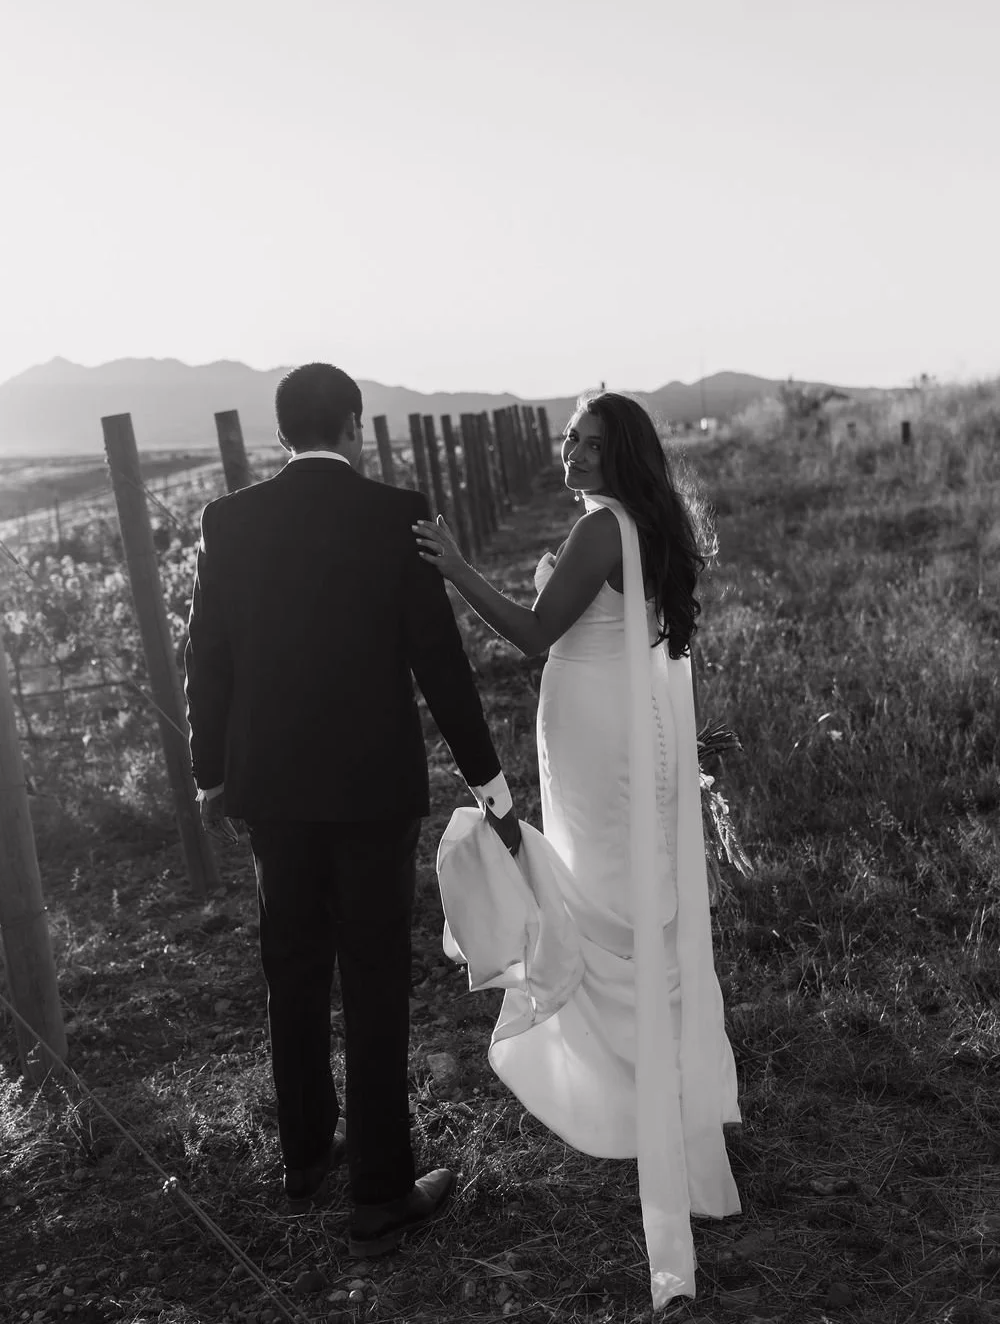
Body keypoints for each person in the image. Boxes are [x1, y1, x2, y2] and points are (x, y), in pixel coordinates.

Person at [184, 362, 517, 1258]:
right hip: (373, 790)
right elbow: (438, 659)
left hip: (272, 790)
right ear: (354, 426)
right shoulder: (396, 513)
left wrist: (210, 772)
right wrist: (488, 782)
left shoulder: (228, 520)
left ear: (281, 433)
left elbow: (206, 655)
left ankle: (304, 1157)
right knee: (374, 977)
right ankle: (379, 1190)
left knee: (290, 968)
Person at [417, 391, 741, 1310]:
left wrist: (456, 568)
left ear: (621, 454)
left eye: (593, 444)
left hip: (603, 742)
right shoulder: (639, 523)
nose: (574, 453)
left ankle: (642, 1101)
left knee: (608, 907)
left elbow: (531, 635)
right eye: (571, 439)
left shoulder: (603, 528)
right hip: (624, 730)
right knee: (634, 906)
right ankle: (663, 1101)